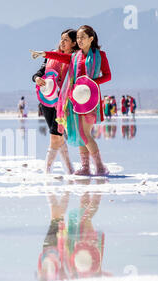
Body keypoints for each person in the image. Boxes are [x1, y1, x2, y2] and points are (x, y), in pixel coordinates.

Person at [30, 25, 112, 176]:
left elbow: (107, 75)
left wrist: (91, 83)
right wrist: (44, 54)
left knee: (86, 133)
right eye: (78, 38)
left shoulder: (100, 55)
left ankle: (100, 167)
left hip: (89, 97)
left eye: (82, 38)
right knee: (79, 133)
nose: (80, 40)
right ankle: (85, 167)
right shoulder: (75, 56)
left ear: (91, 39)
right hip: (75, 99)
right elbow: (61, 57)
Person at [32, 29, 79, 174]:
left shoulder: (76, 58)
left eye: (66, 40)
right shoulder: (52, 55)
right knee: (57, 136)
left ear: (73, 43)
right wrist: (37, 79)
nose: (62, 42)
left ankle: (47, 170)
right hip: (47, 100)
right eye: (61, 39)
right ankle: (70, 169)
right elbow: (39, 73)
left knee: (54, 135)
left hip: (64, 103)